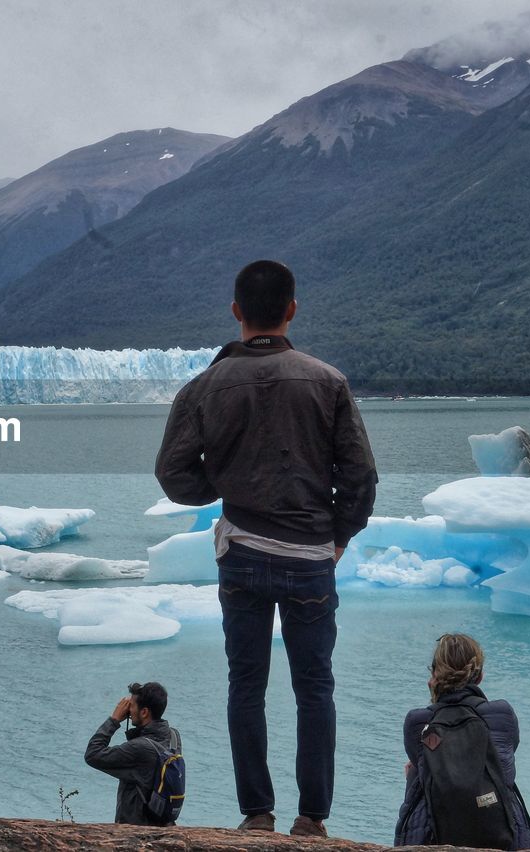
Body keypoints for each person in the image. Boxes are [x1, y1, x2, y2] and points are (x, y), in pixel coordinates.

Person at [154, 259, 377, 838]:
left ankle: (256, 815)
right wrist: (340, 535)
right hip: (310, 558)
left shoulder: (205, 386)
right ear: (292, 309)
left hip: (243, 558)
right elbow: (361, 475)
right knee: (315, 688)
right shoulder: (327, 381)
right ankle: (312, 820)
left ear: (236, 312)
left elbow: (173, 472)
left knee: (245, 686)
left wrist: (222, 484)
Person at [395, 633, 530, 849]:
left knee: (415, 773)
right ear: (479, 677)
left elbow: (425, 762)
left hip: (429, 838)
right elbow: (506, 753)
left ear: (434, 676)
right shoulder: (502, 714)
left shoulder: (417, 722)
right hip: (507, 837)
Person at [84, 681, 182, 825]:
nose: (129, 710)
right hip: (162, 822)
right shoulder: (173, 736)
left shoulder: (140, 748)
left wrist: (114, 720)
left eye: (132, 706)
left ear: (144, 712)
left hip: (135, 829)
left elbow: (92, 754)